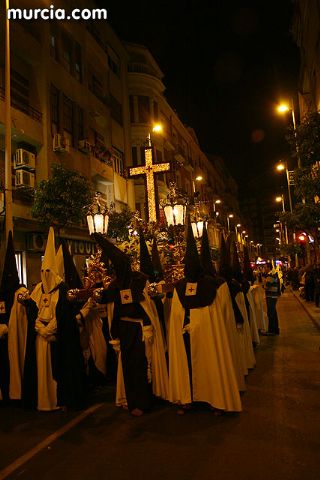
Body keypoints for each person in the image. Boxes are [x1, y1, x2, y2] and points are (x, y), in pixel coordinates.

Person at [168, 223, 242, 414]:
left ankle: (214, 398)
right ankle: (188, 397)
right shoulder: (180, 287)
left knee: (210, 363)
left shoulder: (215, 285)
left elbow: (222, 314)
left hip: (208, 335)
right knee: (189, 365)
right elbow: (176, 315)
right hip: (186, 335)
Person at [93, 233, 168, 417]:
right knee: (127, 366)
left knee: (141, 365)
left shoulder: (140, 280)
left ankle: (143, 402)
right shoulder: (115, 285)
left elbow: (148, 305)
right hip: (124, 330)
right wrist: (115, 334)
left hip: (140, 329)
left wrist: (149, 325)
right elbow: (111, 307)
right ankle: (132, 399)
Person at [22, 227, 87, 411]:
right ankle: (42, 401)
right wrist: (39, 329)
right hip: (40, 339)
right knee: (41, 371)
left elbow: (63, 316)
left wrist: (50, 329)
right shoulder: (37, 289)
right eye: (43, 271)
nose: (45, 275)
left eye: (48, 271)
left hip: (56, 340)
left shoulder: (63, 290)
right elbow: (34, 311)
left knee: (56, 369)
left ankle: (60, 399)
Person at [264, 262, 281, 335]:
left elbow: (267, 286)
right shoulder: (274, 273)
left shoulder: (271, 275)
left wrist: (264, 286)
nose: (264, 269)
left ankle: (272, 330)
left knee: (271, 313)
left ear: (268, 267)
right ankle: (275, 329)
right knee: (273, 312)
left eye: (265, 267)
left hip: (271, 296)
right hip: (273, 295)